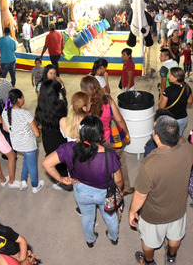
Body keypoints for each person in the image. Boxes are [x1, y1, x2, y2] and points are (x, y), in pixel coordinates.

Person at [42, 115, 123, 248]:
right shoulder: (109, 155)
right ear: (100, 135)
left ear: (81, 131)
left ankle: (90, 240)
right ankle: (113, 237)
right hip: (104, 193)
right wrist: (118, 190)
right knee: (110, 216)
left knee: (87, 217)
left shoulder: (68, 148)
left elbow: (46, 163)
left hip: (81, 191)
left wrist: (61, 179)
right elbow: (119, 180)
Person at [129, 116, 193, 265]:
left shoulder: (150, 164)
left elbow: (140, 195)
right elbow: (182, 141)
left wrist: (132, 212)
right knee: (175, 237)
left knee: (149, 242)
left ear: (156, 137)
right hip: (178, 209)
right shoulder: (188, 149)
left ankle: (149, 261)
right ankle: (171, 257)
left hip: (154, 216)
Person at [80, 75, 133, 195]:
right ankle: (125, 187)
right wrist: (126, 131)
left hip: (95, 141)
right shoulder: (108, 100)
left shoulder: (84, 106)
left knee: (99, 163)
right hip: (112, 139)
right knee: (120, 161)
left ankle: (103, 188)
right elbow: (118, 119)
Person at [3, 89, 43, 193]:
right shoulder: (26, 114)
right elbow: (37, 134)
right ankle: (35, 186)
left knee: (27, 159)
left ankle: (23, 180)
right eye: (23, 97)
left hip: (17, 144)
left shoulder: (5, 112)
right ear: (18, 99)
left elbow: (5, 128)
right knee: (33, 165)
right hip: (29, 145)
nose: (24, 99)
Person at [35, 78, 68, 189]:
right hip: (60, 136)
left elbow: (39, 126)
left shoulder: (39, 107)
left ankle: (58, 179)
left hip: (47, 137)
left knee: (51, 156)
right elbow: (65, 118)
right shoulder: (60, 105)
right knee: (62, 157)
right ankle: (64, 179)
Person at [158, 67, 193, 136]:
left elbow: (161, 107)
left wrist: (161, 94)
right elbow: (190, 101)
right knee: (178, 136)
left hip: (171, 120)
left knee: (169, 139)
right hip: (183, 119)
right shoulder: (187, 87)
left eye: (170, 75)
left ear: (175, 78)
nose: (168, 76)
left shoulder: (168, 90)